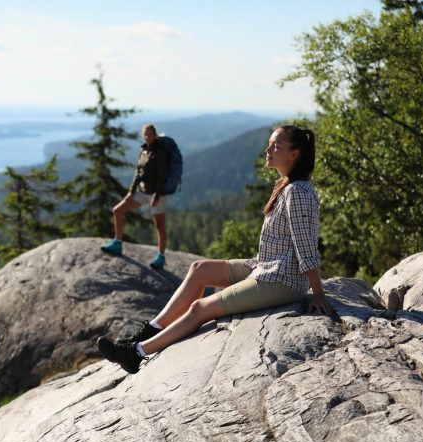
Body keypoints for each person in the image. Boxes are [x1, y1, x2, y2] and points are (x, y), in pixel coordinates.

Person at [97, 124, 333, 374]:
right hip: (267, 266)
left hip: (283, 280)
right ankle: (151, 329)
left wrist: (318, 294)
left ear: (294, 154)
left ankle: (136, 353)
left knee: (200, 309)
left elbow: (306, 247)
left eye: (276, 146)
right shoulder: (286, 184)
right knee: (199, 269)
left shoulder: (298, 192)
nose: (268, 149)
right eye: (269, 144)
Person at [101, 124, 169, 270]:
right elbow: (138, 172)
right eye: (144, 134)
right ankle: (117, 243)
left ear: (155, 135)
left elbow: (162, 176)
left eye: (149, 134)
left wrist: (156, 196)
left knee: (159, 225)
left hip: (157, 194)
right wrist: (130, 192)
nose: (146, 137)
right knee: (117, 211)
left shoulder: (160, 152)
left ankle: (161, 256)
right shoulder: (144, 150)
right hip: (142, 192)